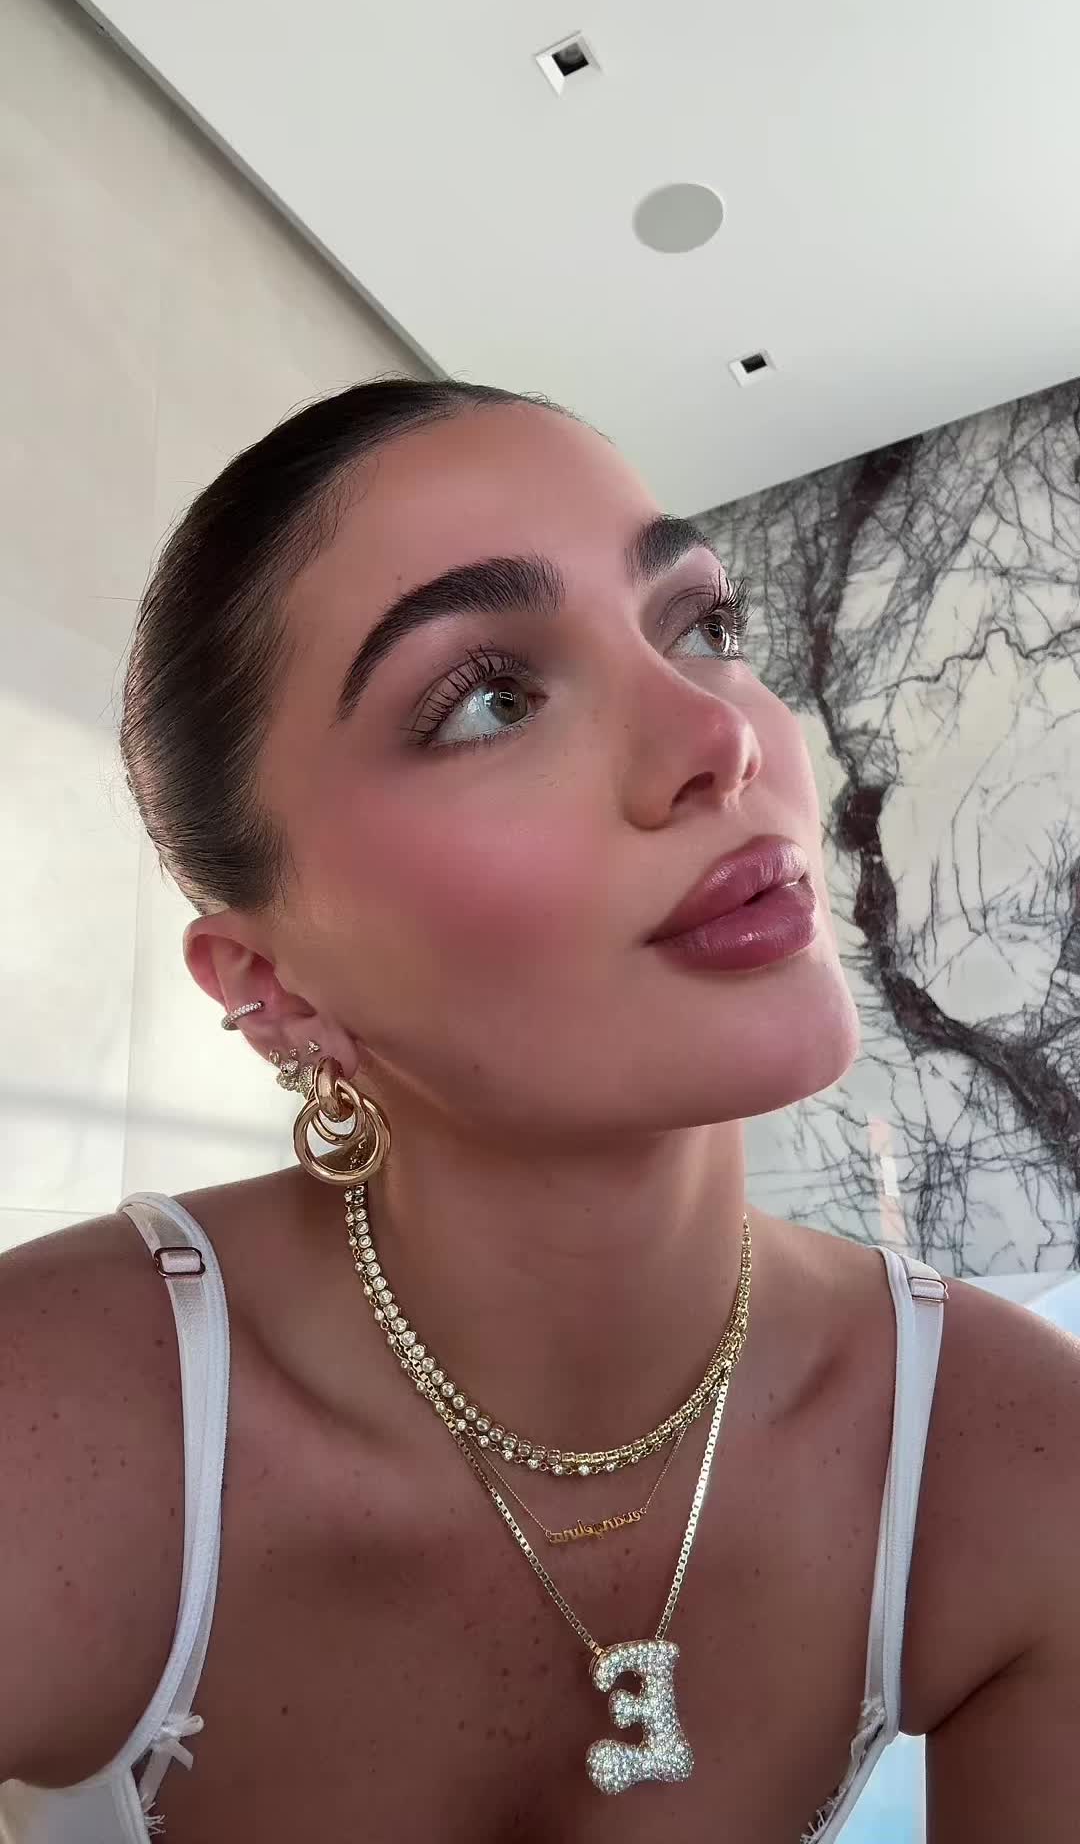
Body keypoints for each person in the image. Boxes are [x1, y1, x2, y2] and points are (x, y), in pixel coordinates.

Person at [1, 377, 1078, 1843]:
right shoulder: (57, 1428)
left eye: (699, 623)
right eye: (489, 701)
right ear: (273, 986)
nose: (718, 736)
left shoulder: (1007, 1453)